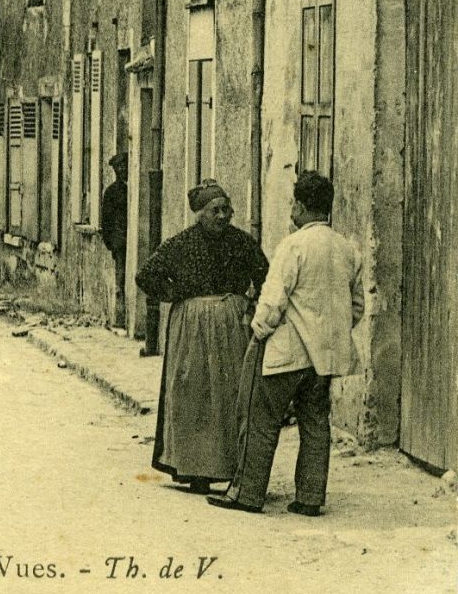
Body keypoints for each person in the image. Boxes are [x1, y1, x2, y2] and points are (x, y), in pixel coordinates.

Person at [209, 170, 363, 516]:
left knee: (259, 418)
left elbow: (273, 299)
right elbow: (356, 307)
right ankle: (310, 498)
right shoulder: (347, 249)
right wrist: (328, 332)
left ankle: (247, 494)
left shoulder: (293, 246)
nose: (291, 209)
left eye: (294, 203)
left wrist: (258, 331)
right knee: (315, 423)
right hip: (324, 358)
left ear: (303, 207)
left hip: (285, 350)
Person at [135, 180, 269, 494]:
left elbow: (266, 275)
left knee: (231, 394)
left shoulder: (242, 242)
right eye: (214, 210)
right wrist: (177, 294)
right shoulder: (180, 244)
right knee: (191, 393)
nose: (222, 216)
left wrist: (252, 306)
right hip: (191, 329)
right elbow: (145, 276)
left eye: (226, 210)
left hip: (231, 326)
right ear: (200, 214)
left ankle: (231, 468)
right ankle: (196, 471)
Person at [100, 152, 129, 329]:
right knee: (120, 280)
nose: (122, 170)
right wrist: (110, 242)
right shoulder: (112, 192)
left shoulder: (135, 188)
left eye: (124, 166)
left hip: (131, 240)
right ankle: (119, 317)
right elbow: (106, 220)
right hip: (120, 242)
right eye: (119, 168)